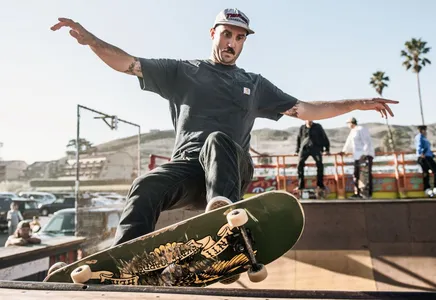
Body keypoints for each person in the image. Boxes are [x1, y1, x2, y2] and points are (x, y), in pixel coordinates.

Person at [51, 8, 398, 283]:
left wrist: (356, 103)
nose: (232, 42)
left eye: (239, 38)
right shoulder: (183, 72)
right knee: (146, 185)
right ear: (213, 34)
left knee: (217, 141)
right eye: (227, 34)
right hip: (189, 171)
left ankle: (225, 221)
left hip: (232, 167)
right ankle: (122, 261)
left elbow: (305, 109)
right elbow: (128, 64)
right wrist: (91, 39)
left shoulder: (254, 83)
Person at [341, 117, 375, 199]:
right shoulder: (352, 131)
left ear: (351, 122)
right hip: (357, 157)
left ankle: (366, 194)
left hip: (364, 156)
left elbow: (366, 141)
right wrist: (344, 151)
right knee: (356, 175)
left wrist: (365, 154)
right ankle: (358, 193)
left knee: (365, 175)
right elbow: (348, 143)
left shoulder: (361, 129)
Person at [294, 120, 330, 194]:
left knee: (319, 164)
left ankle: (320, 185)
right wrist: (297, 151)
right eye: (307, 120)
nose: (309, 121)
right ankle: (301, 185)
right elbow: (298, 139)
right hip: (304, 149)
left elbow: (324, 137)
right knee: (300, 164)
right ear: (305, 120)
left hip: (316, 148)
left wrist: (326, 149)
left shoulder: (318, 127)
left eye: (310, 119)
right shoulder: (302, 128)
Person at [414, 125, 436, 197]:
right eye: (425, 130)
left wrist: (433, 155)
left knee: (426, 173)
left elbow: (427, 149)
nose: (426, 132)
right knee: (435, 171)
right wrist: (421, 153)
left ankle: (428, 189)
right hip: (424, 157)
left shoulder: (423, 138)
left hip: (427, 156)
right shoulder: (420, 137)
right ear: (422, 130)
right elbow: (419, 146)